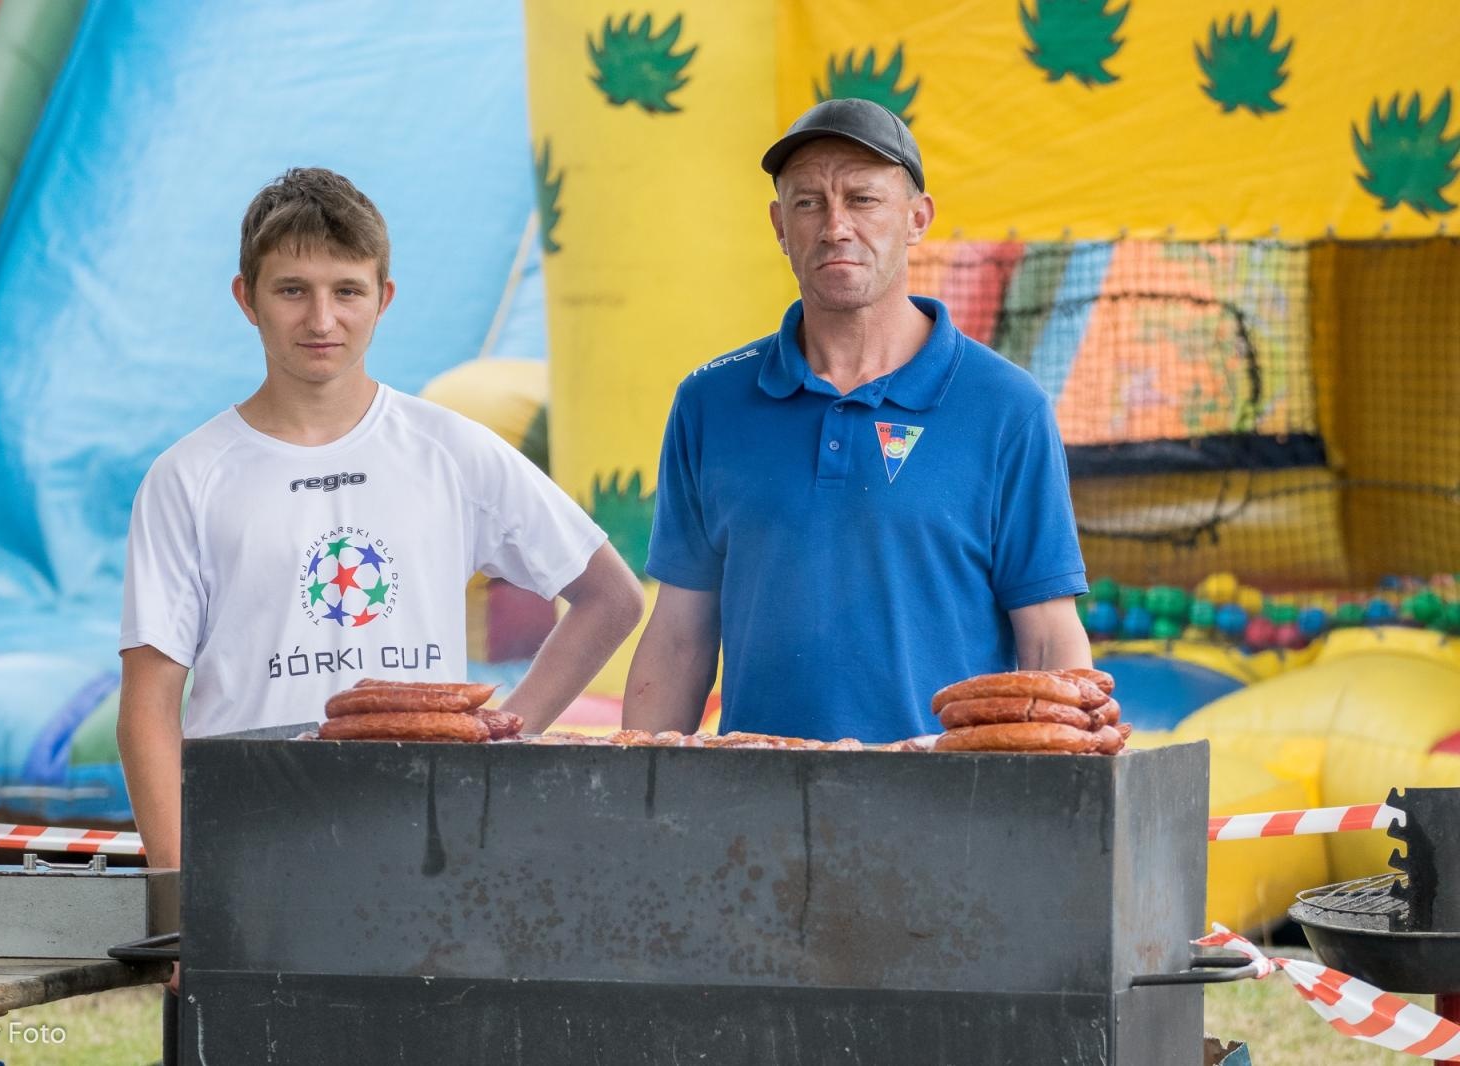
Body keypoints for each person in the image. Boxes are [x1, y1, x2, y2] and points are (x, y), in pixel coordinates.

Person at [116, 168, 644, 1018]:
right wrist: (183, 902)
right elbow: (147, 708)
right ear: (247, 298)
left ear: (383, 298)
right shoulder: (189, 477)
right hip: (250, 854)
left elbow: (610, 598)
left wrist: (501, 735)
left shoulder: (450, 451)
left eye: (346, 291)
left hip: (425, 848)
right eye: (292, 290)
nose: (321, 319)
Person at [622, 99, 1091, 743]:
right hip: (754, 790)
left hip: (950, 792)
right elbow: (680, 635)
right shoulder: (709, 402)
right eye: (808, 202)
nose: (835, 226)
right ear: (779, 225)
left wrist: (1066, 782)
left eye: (863, 199)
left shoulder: (1007, 407)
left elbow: (1048, 639)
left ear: (917, 218)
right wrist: (638, 785)